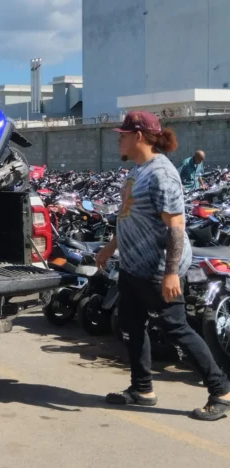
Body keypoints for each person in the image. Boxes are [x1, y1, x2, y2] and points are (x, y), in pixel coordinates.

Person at [96, 111, 230, 421]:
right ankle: (142, 390)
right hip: (132, 269)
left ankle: (221, 390)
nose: (119, 139)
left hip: (157, 271)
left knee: (177, 328)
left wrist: (171, 272)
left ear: (138, 136)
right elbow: (128, 216)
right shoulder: (137, 172)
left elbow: (176, 227)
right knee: (131, 325)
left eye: (123, 134)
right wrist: (110, 247)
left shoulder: (162, 174)